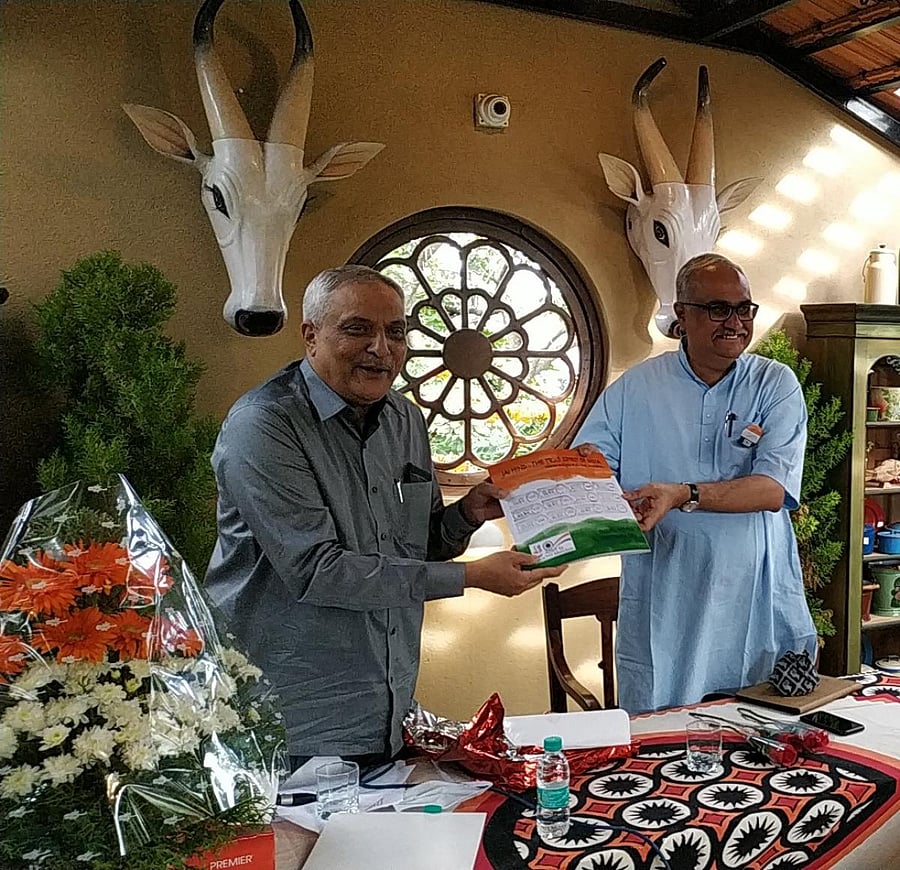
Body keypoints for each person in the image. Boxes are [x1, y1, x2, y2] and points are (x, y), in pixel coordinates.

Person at [204, 264, 565, 767]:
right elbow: (317, 571)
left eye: (395, 332)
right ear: (311, 335)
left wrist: (467, 515)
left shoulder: (405, 418)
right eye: (358, 329)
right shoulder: (263, 426)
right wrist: (471, 577)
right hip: (290, 714)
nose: (381, 347)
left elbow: (415, 544)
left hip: (387, 707)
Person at [575, 252, 817, 714]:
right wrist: (588, 476)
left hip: (754, 597)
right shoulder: (636, 388)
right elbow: (593, 466)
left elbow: (772, 489)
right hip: (666, 595)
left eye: (744, 308)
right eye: (717, 308)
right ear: (681, 315)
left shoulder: (774, 383)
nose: (735, 322)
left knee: (760, 736)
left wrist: (683, 494)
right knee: (662, 740)